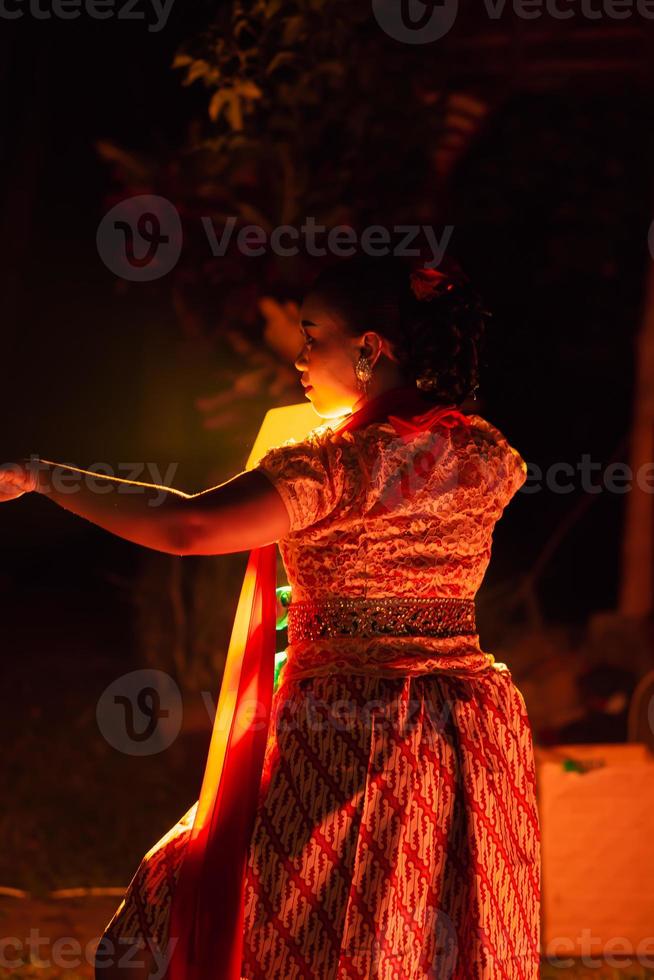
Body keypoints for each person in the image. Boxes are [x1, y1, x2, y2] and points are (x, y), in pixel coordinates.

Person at [0, 254, 541, 979]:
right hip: (464, 728)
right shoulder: (484, 452)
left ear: (371, 348)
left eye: (314, 336)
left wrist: (45, 478)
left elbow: (190, 528)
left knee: (179, 926)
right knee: (406, 947)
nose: (300, 356)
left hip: (352, 730)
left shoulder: (335, 464)